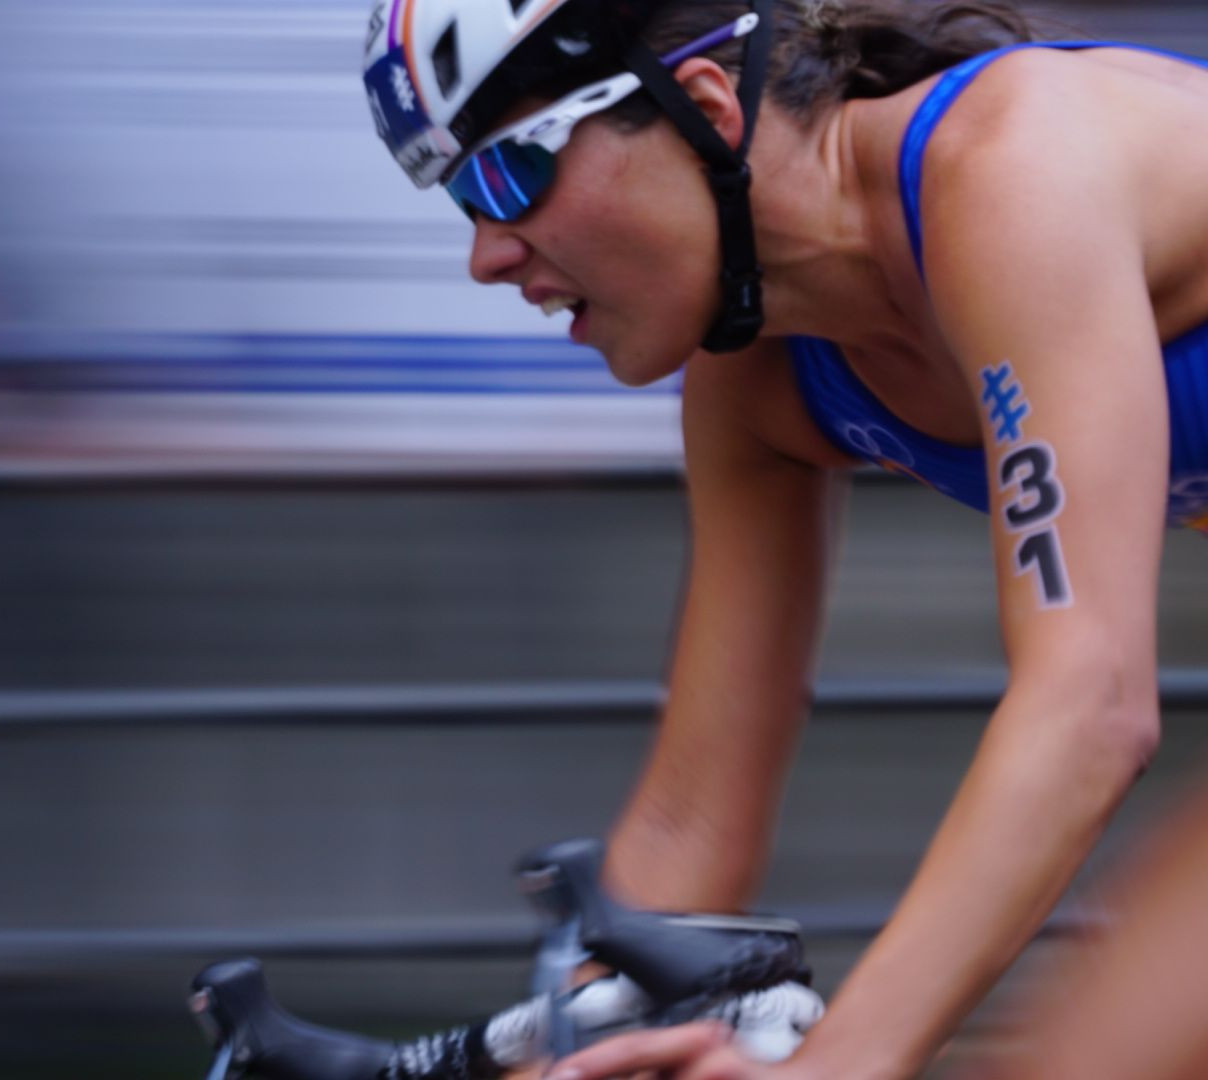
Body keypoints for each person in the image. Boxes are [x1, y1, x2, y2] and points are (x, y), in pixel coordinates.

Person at [361, 1, 1208, 1077]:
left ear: (705, 108)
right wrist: (567, 1051)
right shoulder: (754, 382)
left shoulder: (1010, 170)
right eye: (459, 200)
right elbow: (688, 826)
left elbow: (1088, 705)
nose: (484, 255)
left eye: (506, 175)